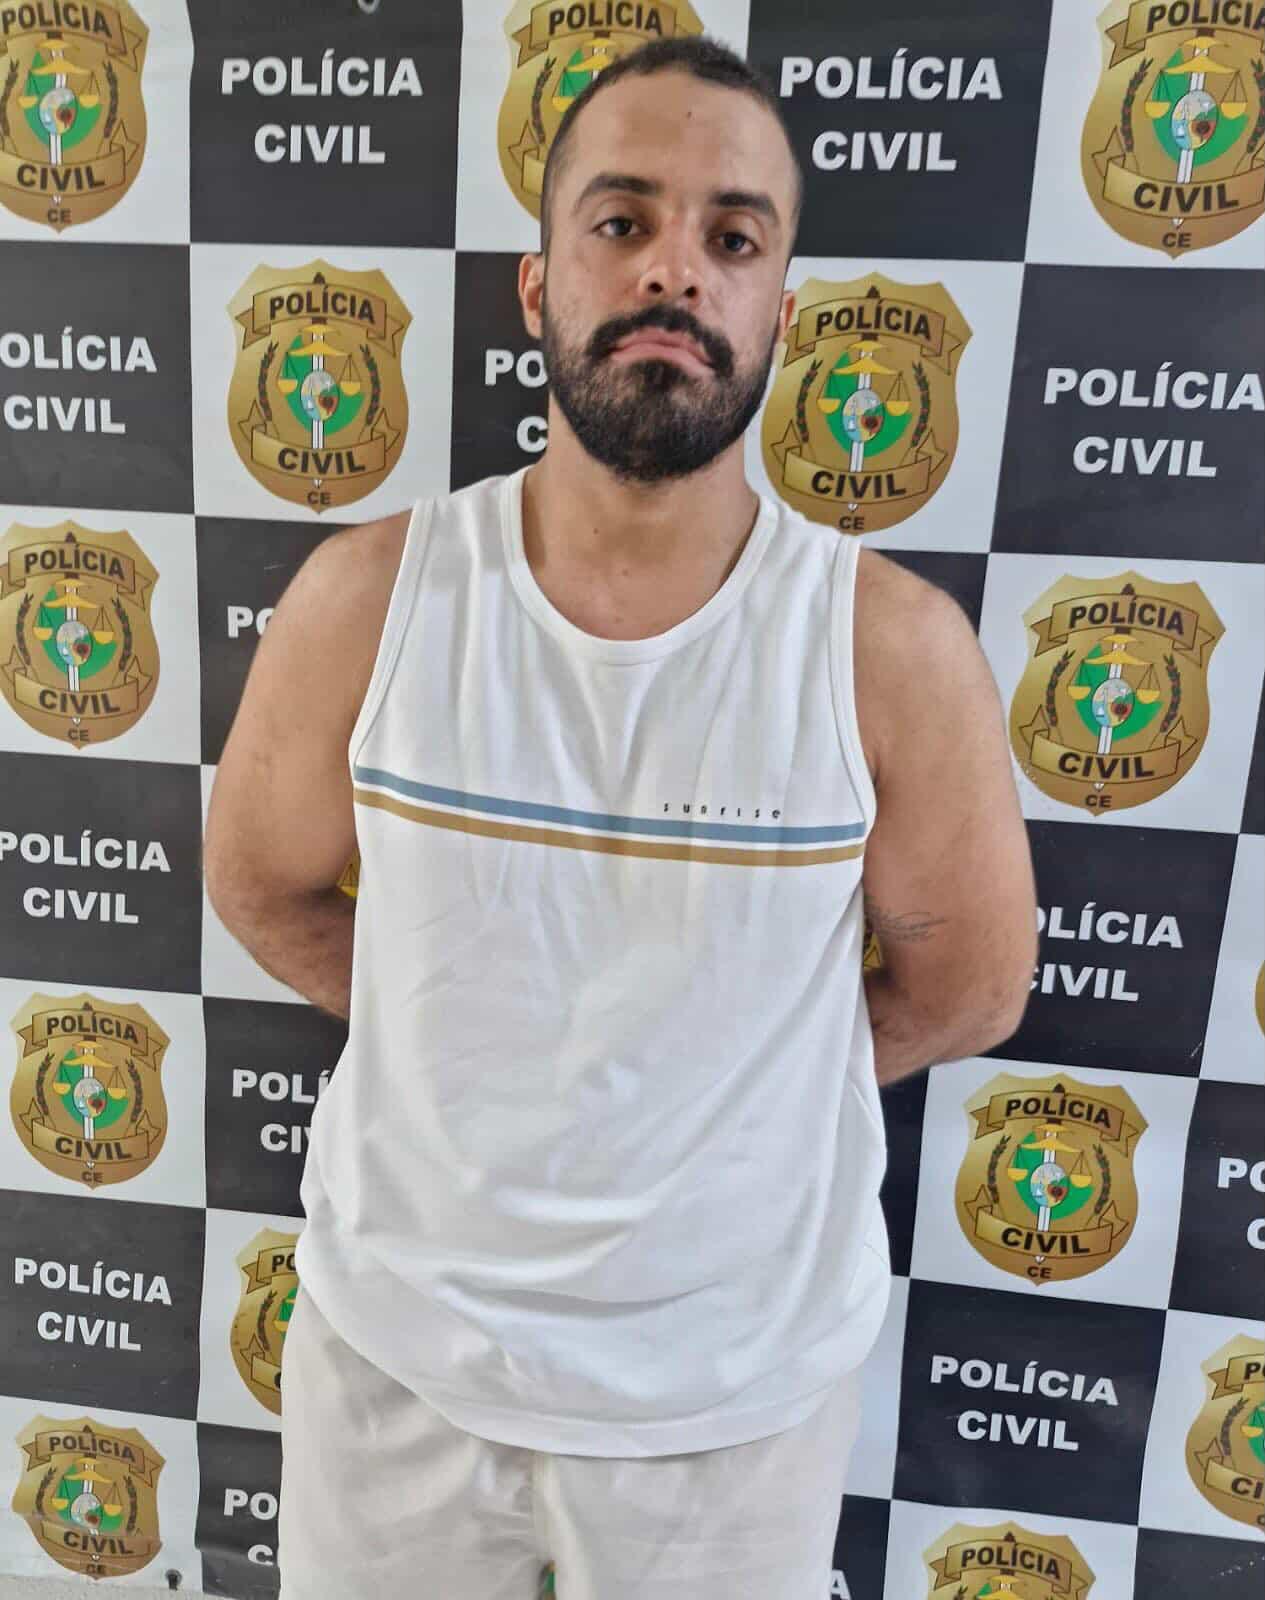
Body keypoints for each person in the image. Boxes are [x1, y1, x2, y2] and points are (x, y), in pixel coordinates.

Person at [204, 34, 1037, 1600]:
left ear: (779, 310)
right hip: (398, 1366)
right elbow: (262, 884)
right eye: (621, 220)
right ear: (538, 284)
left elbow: (970, 988)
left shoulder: (889, 649)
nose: (674, 270)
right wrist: (471, 1055)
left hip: (728, 1406)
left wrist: (719, 1093)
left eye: (733, 236)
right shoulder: (367, 599)